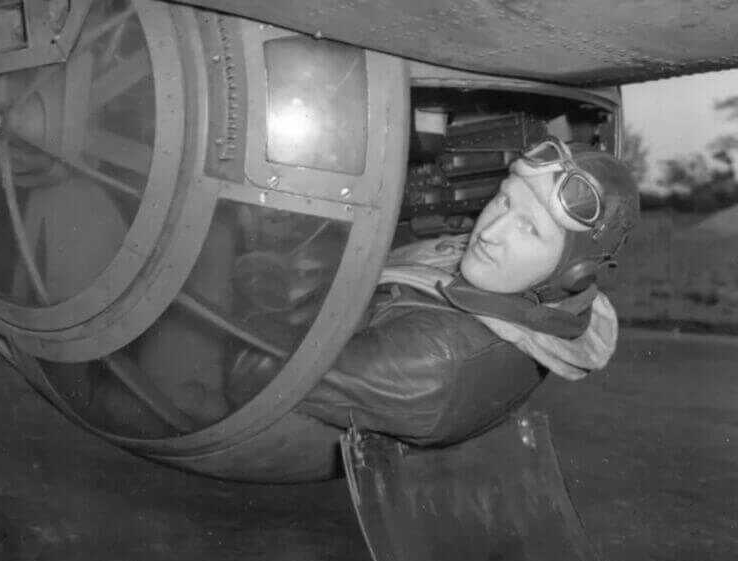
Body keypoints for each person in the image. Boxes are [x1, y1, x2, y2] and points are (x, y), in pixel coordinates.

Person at [231, 136, 640, 446]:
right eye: (503, 202)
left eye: (529, 229)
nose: (490, 232)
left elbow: (256, 370)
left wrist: (251, 271)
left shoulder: (435, 359)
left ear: (574, 275)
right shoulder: (510, 281)